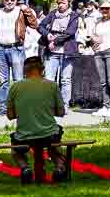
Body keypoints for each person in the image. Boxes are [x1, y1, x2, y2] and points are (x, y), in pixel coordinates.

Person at [5, 55, 67, 184]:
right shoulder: (52, 86)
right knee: (55, 149)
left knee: (16, 152)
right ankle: (59, 167)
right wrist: (45, 110)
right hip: (49, 134)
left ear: (24, 70)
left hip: (24, 135)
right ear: (42, 69)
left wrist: (24, 111)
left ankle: (25, 168)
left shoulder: (15, 87)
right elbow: (61, 112)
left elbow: (10, 115)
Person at [37, 0, 82, 112]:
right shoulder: (53, 14)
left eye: (63, 3)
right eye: (59, 3)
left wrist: (55, 42)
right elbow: (40, 26)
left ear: (69, 3)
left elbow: (70, 32)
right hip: (52, 52)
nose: (60, 5)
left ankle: (64, 105)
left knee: (65, 80)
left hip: (68, 52)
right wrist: (47, 35)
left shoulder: (74, 16)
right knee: (49, 79)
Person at [0, 0, 27, 110]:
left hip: (16, 47)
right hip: (0, 48)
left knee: (18, 80)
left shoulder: (20, 11)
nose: (9, 2)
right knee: (3, 81)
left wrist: (27, 10)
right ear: (3, 0)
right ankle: (3, 108)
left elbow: (34, 24)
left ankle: (19, 107)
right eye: (6, 0)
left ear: (16, 0)